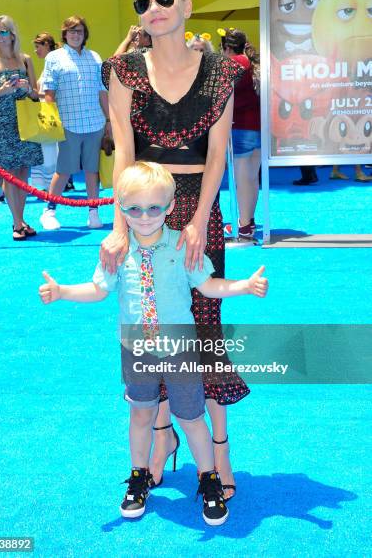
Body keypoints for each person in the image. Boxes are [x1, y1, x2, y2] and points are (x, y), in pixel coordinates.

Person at [39, 161, 268, 524]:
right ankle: (138, 476)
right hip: (136, 348)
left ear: (171, 207)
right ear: (121, 208)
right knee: (141, 414)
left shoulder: (181, 245)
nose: (144, 217)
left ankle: (208, 479)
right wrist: (62, 291)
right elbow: (98, 289)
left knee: (191, 417)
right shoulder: (116, 252)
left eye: (154, 208)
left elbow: (208, 286)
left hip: (179, 348)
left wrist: (243, 286)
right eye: (133, 208)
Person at [101, 0, 249, 501]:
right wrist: (120, 227)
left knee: (201, 329)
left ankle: (220, 451)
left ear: (186, 4)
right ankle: (161, 437)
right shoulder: (123, 70)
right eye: (143, 3)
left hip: (198, 210)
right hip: (145, 209)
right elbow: (123, 153)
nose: (154, 10)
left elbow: (217, 156)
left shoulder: (222, 72)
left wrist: (201, 218)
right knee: (150, 321)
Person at [40, 16, 112, 230]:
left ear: (85, 34)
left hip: (95, 123)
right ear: (64, 34)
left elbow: (102, 92)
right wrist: (52, 121)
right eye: (71, 31)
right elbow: (49, 93)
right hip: (67, 124)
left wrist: (108, 120)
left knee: (92, 170)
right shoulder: (54, 57)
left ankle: (93, 213)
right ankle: (49, 211)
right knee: (64, 170)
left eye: (79, 31)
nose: (75, 34)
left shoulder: (95, 57)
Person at [0, 15, 43, 240]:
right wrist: (2, 90)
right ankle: (16, 223)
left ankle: (21, 219)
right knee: (8, 174)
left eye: (3, 31)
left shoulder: (25, 60)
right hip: (4, 123)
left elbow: (36, 94)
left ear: (12, 33)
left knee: (23, 172)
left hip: (26, 122)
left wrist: (26, 89)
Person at [221, 28, 261, 240]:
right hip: (257, 126)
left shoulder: (235, 63)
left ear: (226, 48)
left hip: (240, 126)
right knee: (251, 178)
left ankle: (244, 226)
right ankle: (248, 221)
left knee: (242, 179)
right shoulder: (252, 63)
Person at [30, 32, 59, 192]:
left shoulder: (53, 64)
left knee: (49, 150)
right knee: (47, 149)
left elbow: (53, 93)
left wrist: (34, 93)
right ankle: (48, 185)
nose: (36, 50)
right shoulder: (48, 64)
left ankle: (51, 185)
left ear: (47, 45)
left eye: (38, 46)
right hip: (44, 114)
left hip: (49, 113)